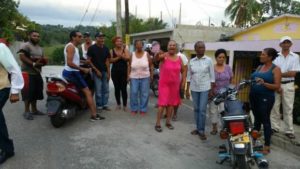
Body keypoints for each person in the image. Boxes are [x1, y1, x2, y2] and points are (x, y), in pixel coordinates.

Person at [62, 30, 104, 121]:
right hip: (73, 72)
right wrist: (83, 69)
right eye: (79, 36)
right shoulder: (71, 47)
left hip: (68, 72)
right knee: (88, 92)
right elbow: (69, 63)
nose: (81, 38)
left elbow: (74, 60)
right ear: (73, 37)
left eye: (82, 36)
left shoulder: (73, 47)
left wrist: (84, 62)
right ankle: (94, 115)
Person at [250, 48, 281, 154]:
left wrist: (264, 83)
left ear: (270, 57)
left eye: (263, 54)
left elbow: (277, 86)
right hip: (254, 96)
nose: (261, 56)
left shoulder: (275, 69)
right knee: (257, 120)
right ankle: (253, 142)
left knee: (265, 120)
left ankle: (267, 146)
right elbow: (253, 79)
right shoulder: (259, 66)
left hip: (266, 98)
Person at [271, 36, 300, 139]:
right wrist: (278, 80)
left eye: (288, 42)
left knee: (288, 108)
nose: (286, 44)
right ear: (280, 44)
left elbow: (293, 73)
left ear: (291, 44)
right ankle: (274, 127)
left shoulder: (295, 57)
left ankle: (289, 130)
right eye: (284, 42)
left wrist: (279, 74)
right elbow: (273, 72)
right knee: (274, 107)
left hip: (289, 84)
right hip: (276, 84)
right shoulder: (275, 56)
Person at [0, 40, 24, 164]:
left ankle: (7, 149)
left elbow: (14, 68)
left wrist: (15, 91)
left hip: (2, 87)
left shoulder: (0, 47)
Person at [154, 40, 186, 132]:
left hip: (175, 85)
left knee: (171, 104)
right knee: (162, 103)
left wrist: (183, 81)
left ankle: (168, 122)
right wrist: (157, 54)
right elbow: (156, 59)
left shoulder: (179, 58)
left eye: (174, 45)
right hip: (164, 84)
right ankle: (158, 123)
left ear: (176, 47)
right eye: (170, 45)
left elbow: (183, 70)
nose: (172, 46)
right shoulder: (164, 56)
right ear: (167, 47)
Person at [187, 41, 215, 140]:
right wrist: (187, 89)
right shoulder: (192, 61)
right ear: (195, 49)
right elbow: (189, 76)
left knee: (202, 110)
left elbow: (212, 76)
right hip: (194, 88)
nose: (202, 49)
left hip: (205, 88)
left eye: (203, 47)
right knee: (196, 109)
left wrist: (211, 90)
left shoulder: (209, 60)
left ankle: (201, 130)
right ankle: (198, 128)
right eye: (199, 47)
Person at [18, 30, 47, 120]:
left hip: (37, 73)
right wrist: (33, 64)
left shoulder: (40, 48)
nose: (36, 37)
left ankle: (34, 110)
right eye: (34, 36)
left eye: (38, 36)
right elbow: (22, 57)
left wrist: (43, 62)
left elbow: (42, 59)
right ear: (29, 36)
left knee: (36, 92)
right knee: (27, 93)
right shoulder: (25, 45)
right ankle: (26, 111)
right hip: (27, 73)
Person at [209, 49, 233, 135]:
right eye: (220, 57)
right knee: (213, 111)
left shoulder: (228, 68)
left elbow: (230, 79)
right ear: (216, 58)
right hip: (214, 94)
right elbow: (209, 80)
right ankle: (214, 128)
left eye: (223, 57)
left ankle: (223, 128)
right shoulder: (212, 68)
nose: (221, 59)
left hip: (225, 95)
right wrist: (210, 91)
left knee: (223, 111)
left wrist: (229, 90)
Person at [87, 32, 111, 111]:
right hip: (96, 72)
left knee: (106, 89)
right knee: (98, 90)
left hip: (105, 71)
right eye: (100, 37)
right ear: (96, 38)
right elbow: (89, 61)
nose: (102, 39)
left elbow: (107, 61)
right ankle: (99, 106)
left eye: (103, 37)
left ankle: (105, 104)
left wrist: (108, 72)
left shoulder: (106, 48)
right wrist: (96, 70)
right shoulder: (91, 48)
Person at [128, 40, 153, 115]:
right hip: (134, 77)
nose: (139, 46)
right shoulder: (132, 54)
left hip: (145, 76)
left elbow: (151, 65)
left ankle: (143, 109)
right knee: (134, 92)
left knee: (144, 93)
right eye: (137, 45)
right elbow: (129, 65)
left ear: (142, 46)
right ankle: (134, 108)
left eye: (140, 44)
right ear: (135, 46)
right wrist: (128, 76)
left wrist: (151, 75)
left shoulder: (146, 54)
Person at [110, 36, 130, 111]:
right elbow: (110, 60)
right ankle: (118, 104)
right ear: (114, 43)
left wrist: (122, 56)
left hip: (124, 72)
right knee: (117, 89)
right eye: (117, 41)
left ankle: (125, 105)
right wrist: (119, 57)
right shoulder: (112, 50)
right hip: (115, 72)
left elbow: (128, 58)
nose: (119, 42)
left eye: (120, 41)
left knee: (124, 89)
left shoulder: (125, 50)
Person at [172, 45, 188, 121]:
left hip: (177, 82)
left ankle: (175, 113)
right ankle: (167, 113)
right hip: (168, 82)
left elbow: (185, 70)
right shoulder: (167, 56)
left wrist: (183, 82)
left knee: (175, 99)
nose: (172, 48)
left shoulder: (181, 56)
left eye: (174, 47)